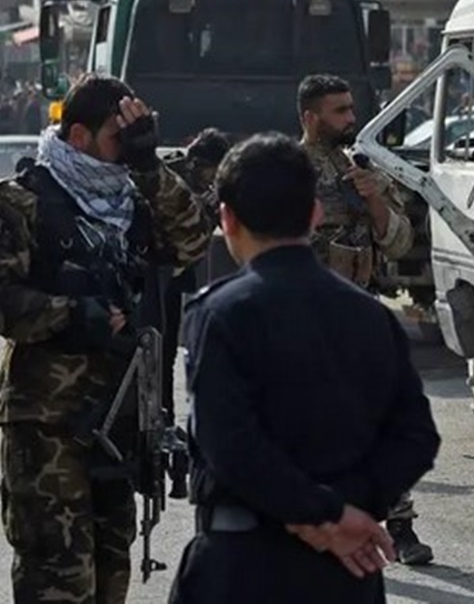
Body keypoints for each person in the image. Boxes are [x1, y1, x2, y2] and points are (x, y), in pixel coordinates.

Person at [167, 133, 441, 604]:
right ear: (315, 213)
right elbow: (415, 436)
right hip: (343, 570)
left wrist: (321, 514)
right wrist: (349, 510)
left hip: (241, 568)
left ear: (227, 218)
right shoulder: (370, 316)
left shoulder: (221, 314)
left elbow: (230, 445)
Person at [0, 75, 212, 604]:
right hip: (48, 422)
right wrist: (71, 315)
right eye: (121, 137)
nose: (128, 149)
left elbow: (192, 239)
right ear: (79, 136)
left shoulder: (133, 200)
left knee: (111, 574)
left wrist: (148, 163)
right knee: (58, 575)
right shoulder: (23, 202)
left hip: (119, 420)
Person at [296, 73, 435, 565]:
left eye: (351, 109)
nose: (351, 119)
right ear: (310, 117)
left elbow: (398, 241)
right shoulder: (289, 171)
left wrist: (374, 197)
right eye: (339, 111)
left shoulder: (363, 166)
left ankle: (400, 526)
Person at [159, 128, 232, 423]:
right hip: (155, 273)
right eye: (212, 171)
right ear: (197, 163)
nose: (214, 178)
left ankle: (166, 417)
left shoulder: (213, 188)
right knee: (157, 349)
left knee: (168, 352)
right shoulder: (168, 176)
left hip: (178, 275)